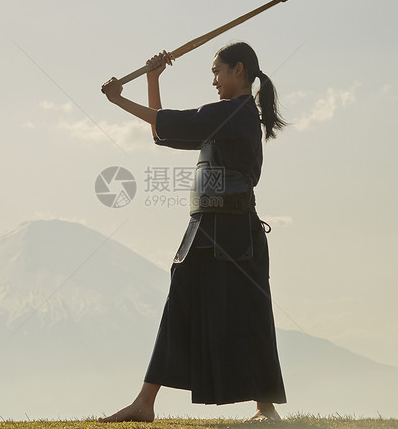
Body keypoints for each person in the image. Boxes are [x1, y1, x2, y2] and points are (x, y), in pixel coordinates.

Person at [100, 42, 287, 422]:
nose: (214, 80)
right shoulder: (227, 117)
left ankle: (265, 409)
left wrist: (120, 101)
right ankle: (145, 403)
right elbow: (163, 131)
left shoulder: (237, 112)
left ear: (239, 70)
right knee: (180, 303)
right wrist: (152, 80)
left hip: (235, 230)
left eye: (217, 71)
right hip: (207, 228)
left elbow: (176, 122)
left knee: (249, 311)